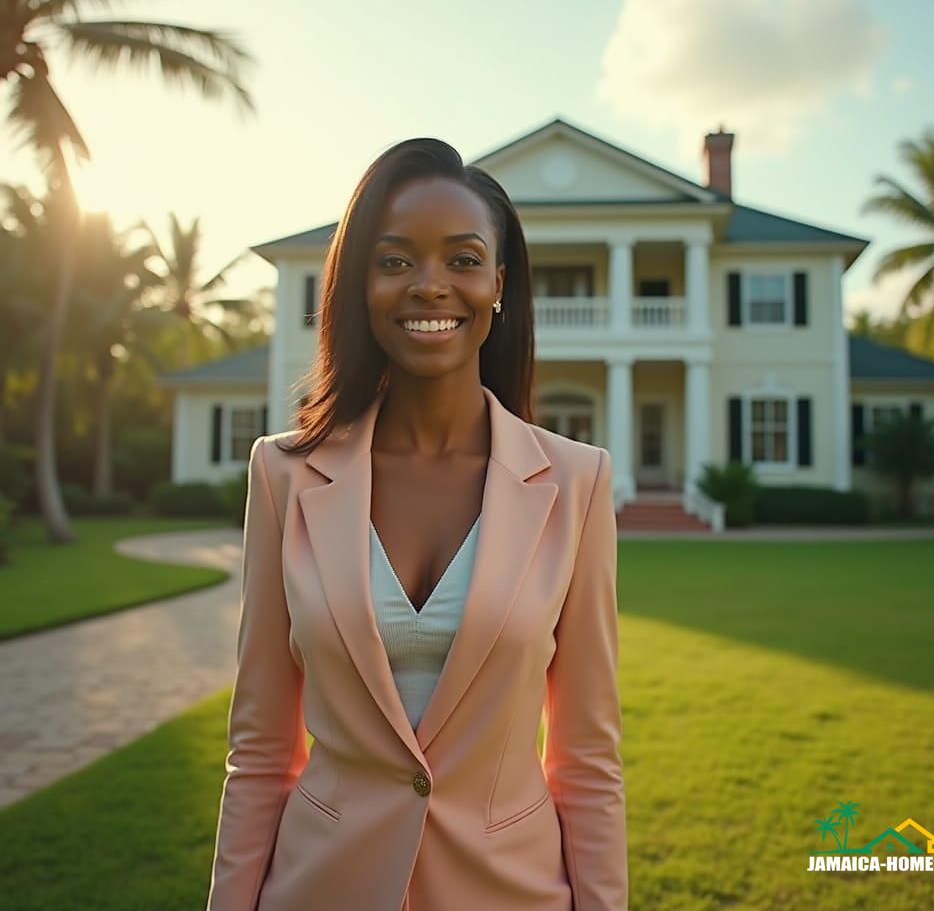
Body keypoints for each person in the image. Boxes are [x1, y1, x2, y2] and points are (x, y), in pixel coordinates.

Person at [205, 137, 628, 910]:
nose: (430, 286)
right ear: (359, 284)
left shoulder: (577, 481)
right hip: (320, 887)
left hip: (511, 892)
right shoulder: (284, 475)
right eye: (395, 261)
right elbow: (261, 750)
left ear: (498, 285)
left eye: (462, 260)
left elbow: (588, 759)